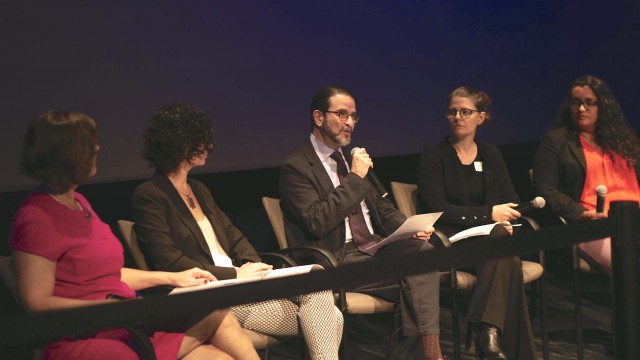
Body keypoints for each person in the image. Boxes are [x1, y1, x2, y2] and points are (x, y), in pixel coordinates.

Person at [11, 109, 259, 360]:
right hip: (84, 335)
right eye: (89, 144)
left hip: (124, 324)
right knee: (216, 315)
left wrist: (175, 278)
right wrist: (106, 309)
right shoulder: (36, 215)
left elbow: (109, 274)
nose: (97, 149)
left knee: (218, 353)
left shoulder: (79, 202)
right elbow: (36, 302)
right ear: (66, 154)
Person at [131, 103, 343, 360]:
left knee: (315, 282)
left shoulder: (198, 189)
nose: (208, 147)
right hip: (208, 294)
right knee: (333, 316)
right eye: (201, 141)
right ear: (179, 145)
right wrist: (235, 273)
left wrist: (253, 266)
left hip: (240, 283)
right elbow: (170, 261)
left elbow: (235, 236)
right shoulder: (150, 195)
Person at [278, 86, 446, 360]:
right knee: (416, 284)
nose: (349, 123)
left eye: (354, 116)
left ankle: (427, 354)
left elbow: (383, 208)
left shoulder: (349, 161)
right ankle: (432, 355)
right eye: (342, 114)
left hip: (372, 249)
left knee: (422, 255)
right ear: (319, 117)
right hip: (335, 258)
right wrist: (355, 178)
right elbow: (316, 221)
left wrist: (410, 228)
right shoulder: (296, 167)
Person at [416, 86, 536, 359]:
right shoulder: (433, 156)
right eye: (452, 112)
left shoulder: (491, 154)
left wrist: (506, 219)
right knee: (509, 258)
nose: (457, 116)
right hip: (450, 241)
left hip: (490, 243)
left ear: (481, 117)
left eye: (465, 112)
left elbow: (510, 200)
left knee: (506, 253)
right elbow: (439, 209)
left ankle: (488, 334)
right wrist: (489, 215)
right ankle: (491, 338)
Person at [533, 75, 640, 275]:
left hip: (634, 219)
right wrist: (580, 213)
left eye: (589, 103)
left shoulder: (624, 141)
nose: (581, 109)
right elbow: (546, 190)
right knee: (630, 267)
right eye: (576, 103)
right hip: (595, 226)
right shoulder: (556, 142)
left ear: (603, 106)